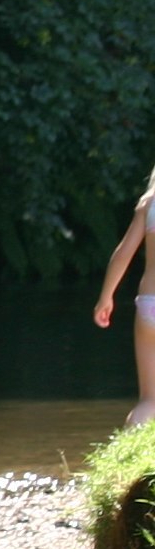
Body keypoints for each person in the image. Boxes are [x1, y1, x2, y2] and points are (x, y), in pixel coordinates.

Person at [89, 160, 155, 428]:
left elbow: (123, 254)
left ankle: (126, 454)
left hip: (149, 306)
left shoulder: (148, 204)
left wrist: (106, 297)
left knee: (149, 400)